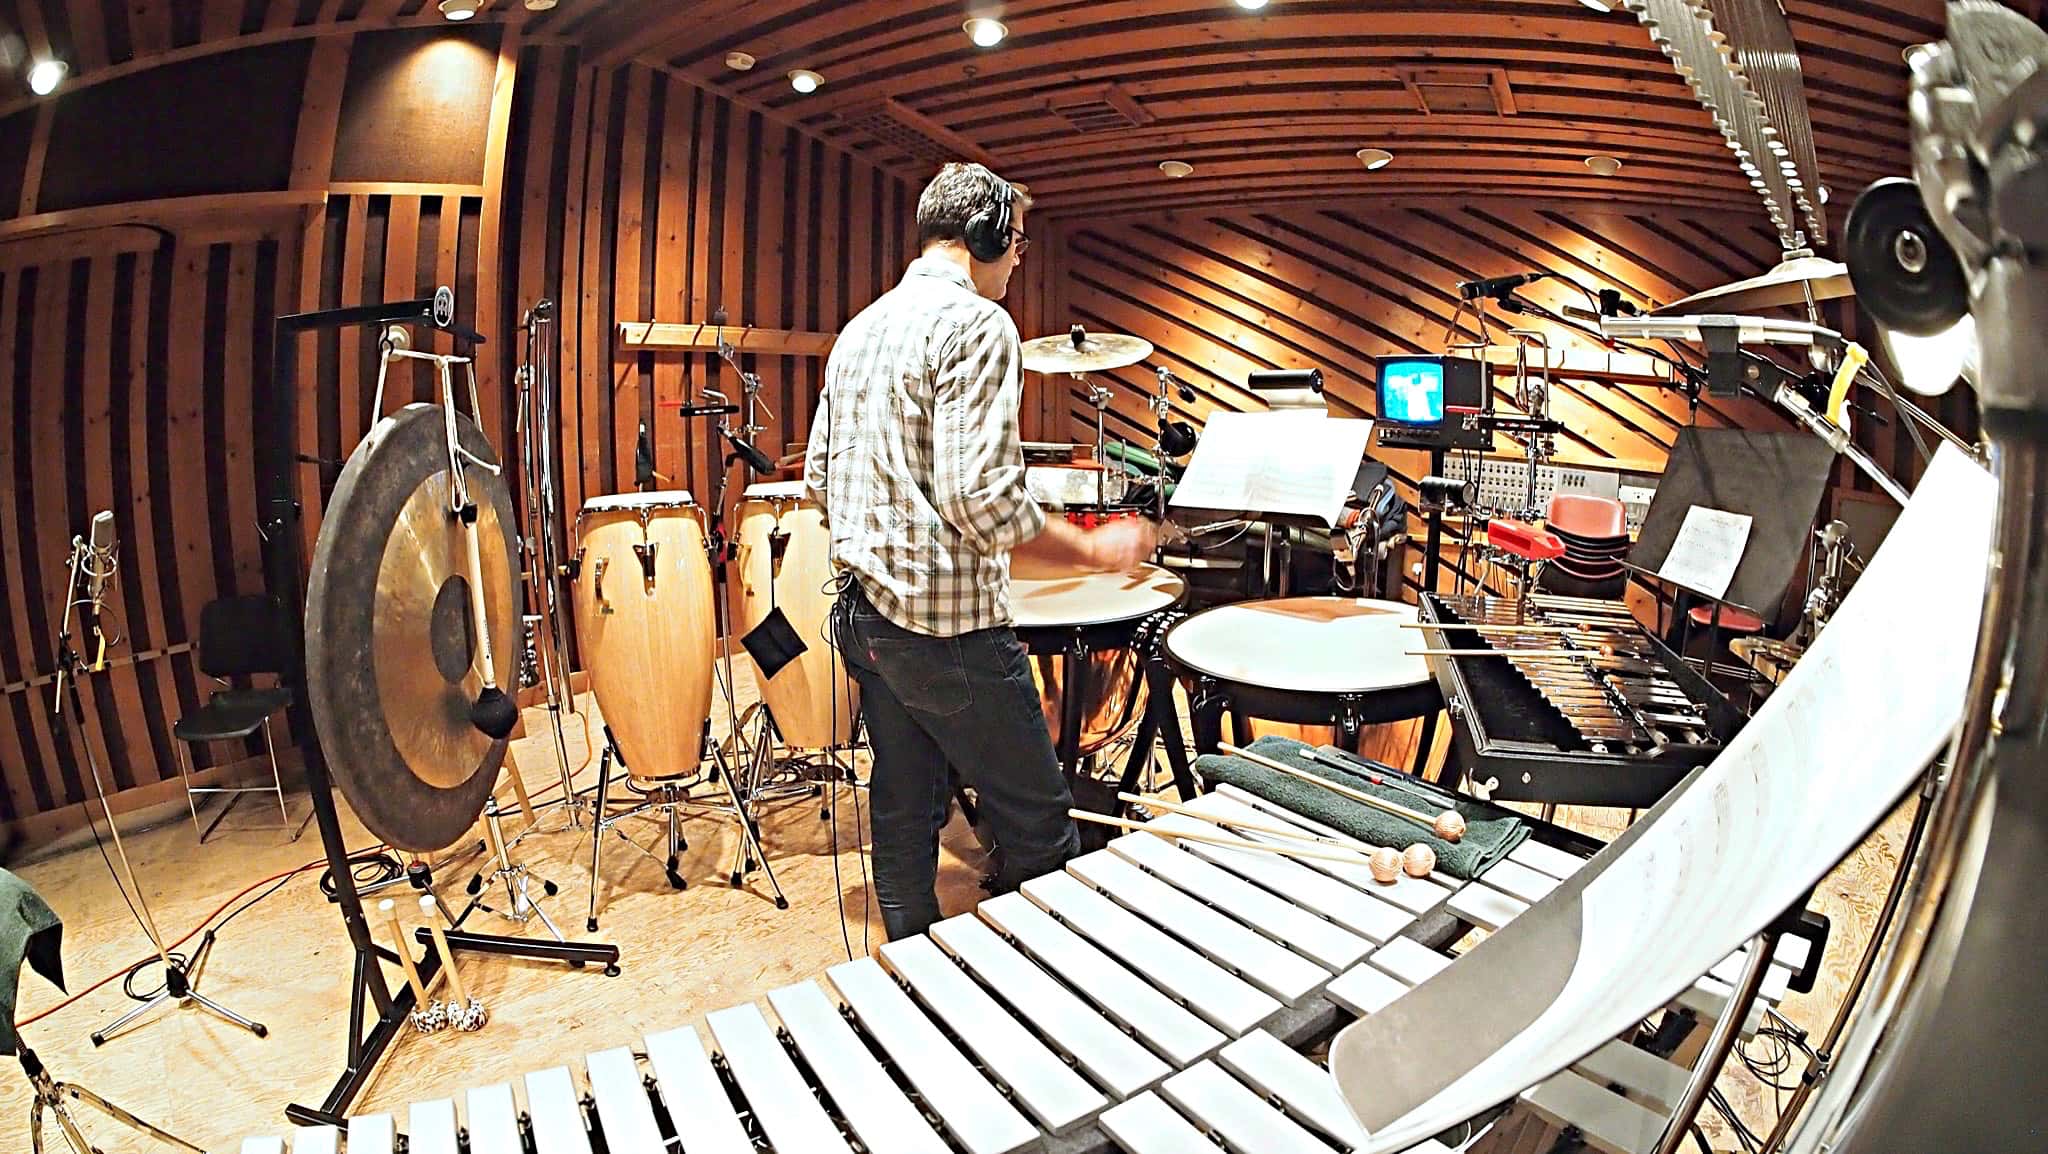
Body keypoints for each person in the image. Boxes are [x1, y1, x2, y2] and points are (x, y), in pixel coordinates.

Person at [804, 162, 1156, 940]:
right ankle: (1052, 1003)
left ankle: (911, 976)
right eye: (1018, 241)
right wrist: (1093, 554)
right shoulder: (979, 325)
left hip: (865, 621)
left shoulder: (860, 329)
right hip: (950, 637)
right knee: (1039, 825)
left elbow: (820, 477)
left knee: (903, 808)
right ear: (986, 236)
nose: (1021, 258)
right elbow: (980, 497)